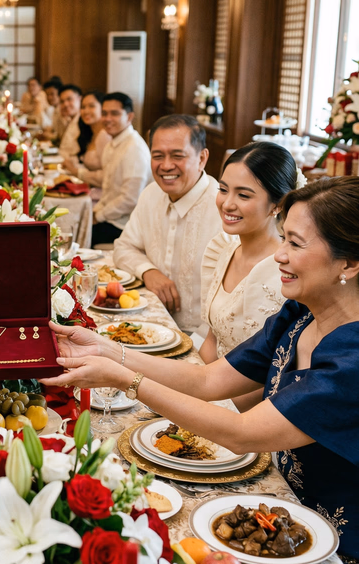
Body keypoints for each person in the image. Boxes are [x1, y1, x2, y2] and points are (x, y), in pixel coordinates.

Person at [43, 176, 359, 561]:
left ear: (351, 263)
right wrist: (108, 350)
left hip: (333, 542)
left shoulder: (352, 358)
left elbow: (241, 434)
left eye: (295, 243)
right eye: (284, 239)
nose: (279, 254)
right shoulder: (300, 315)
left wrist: (126, 380)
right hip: (282, 510)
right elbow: (207, 378)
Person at [200, 143, 298, 411]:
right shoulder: (224, 249)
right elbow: (211, 341)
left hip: (251, 415)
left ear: (277, 204)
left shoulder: (288, 272)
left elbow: (276, 379)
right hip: (209, 391)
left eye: (243, 195)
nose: (227, 203)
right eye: (222, 190)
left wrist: (212, 407)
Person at [112, 114, 222, 333]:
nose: (166, 165)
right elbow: (123, 247)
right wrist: (148, 271)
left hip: (203, 339)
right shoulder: (151, 194)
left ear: (202, 158)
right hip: (148, 324)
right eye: (158, 156)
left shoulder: (223, 209)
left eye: (177, 156)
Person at [90, 92, 152, 246]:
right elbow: (108, 189)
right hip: (111, 218)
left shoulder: (134, 148)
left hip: (125, 225)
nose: (108, 119)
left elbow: (130, 199)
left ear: (129, 117)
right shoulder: (112, 143)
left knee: (75, 236)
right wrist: (95, 212)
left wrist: (99, 216)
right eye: (104, 113)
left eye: (115, 114)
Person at [62, 91, 111, 189]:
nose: (86, 111)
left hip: (100, 191)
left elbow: (108, 176)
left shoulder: (105, 135)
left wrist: (76, 171)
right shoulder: (91, 133)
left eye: (91, 106)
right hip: (88, 187)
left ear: (103, 108)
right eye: (83, 107)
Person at [57, 84, 83, 158]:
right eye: (62, 101)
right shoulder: (70, 120)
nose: (65, 104)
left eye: (69, 99)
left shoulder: (83, 122)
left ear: (80, 99)